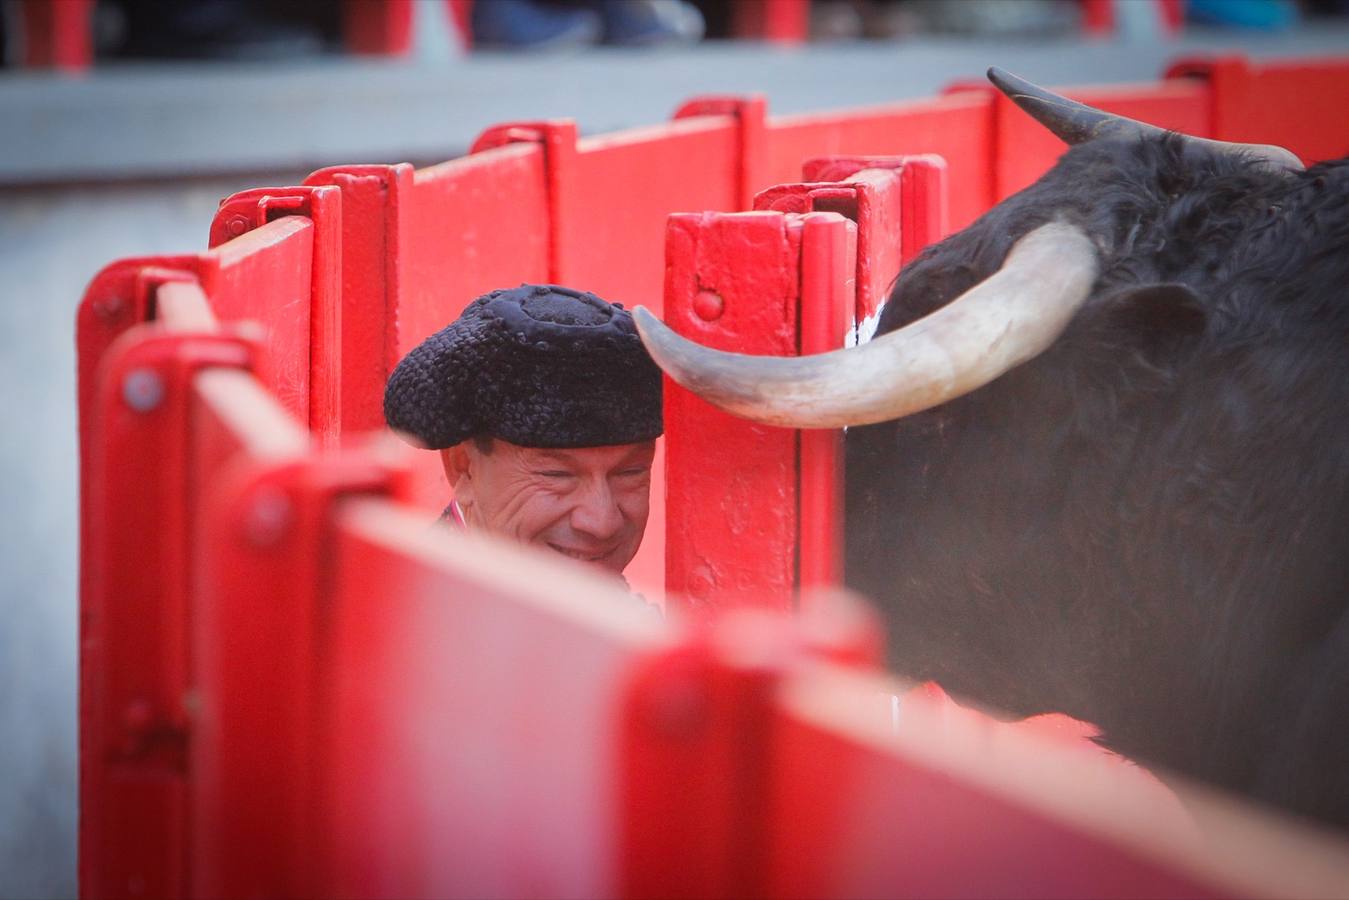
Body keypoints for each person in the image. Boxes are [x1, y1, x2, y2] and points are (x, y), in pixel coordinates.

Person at [383, 284, 662, 580]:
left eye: (630, 472)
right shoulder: (398, 619)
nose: (602, 523)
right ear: (463, 467)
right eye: (556, 475)